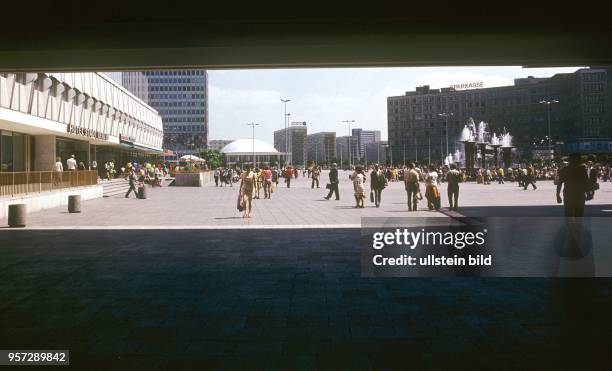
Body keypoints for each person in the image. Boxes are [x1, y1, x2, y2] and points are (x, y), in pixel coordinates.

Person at [557, 153, 589, 217]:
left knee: (568, 214)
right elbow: (586, 183)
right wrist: (589, 193)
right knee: (579, 215)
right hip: (580, 194)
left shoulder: (565, 169)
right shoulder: (582, 170)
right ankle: (578, 226)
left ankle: (568, 226)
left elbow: (560, 183)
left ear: (570, 160)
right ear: (578, 160)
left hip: (568, 194)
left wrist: (557, 195)